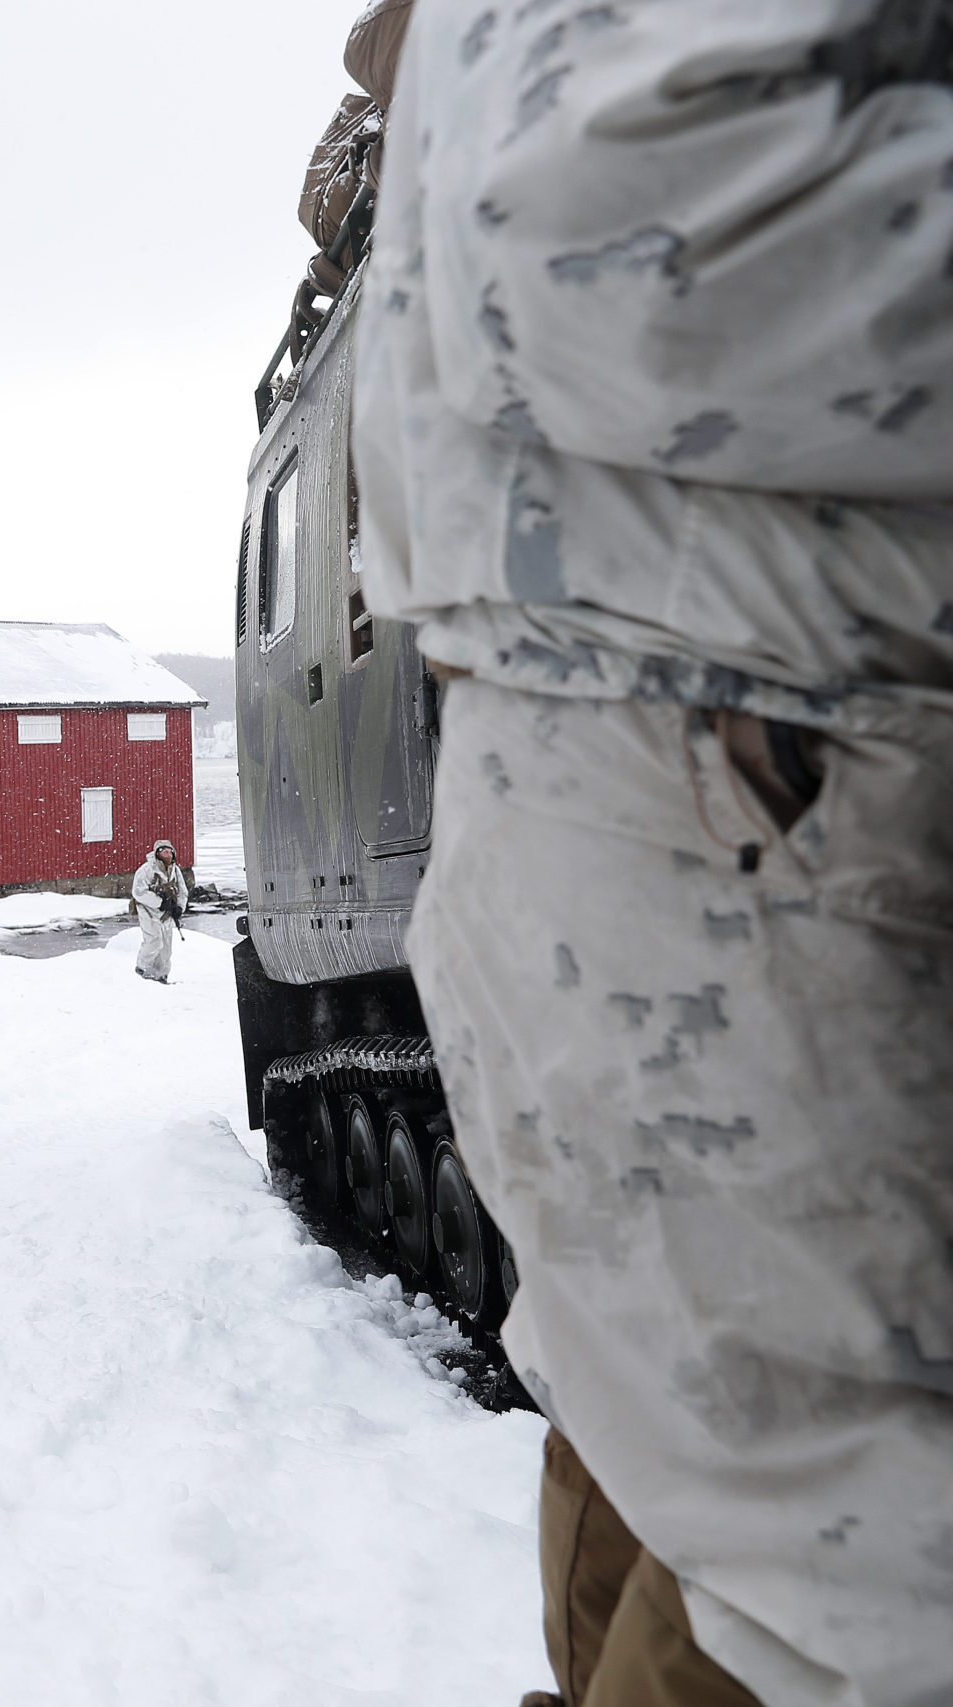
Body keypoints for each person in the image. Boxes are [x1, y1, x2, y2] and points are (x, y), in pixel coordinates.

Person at [357, 5, 953, 1702]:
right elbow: (620, 227)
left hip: (730, 787)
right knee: (875, 1595)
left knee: (716, 1497)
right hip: (766, 806)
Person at [129, 839, 186, 983]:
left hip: (167, 914)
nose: (168, 854)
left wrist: (179, 907)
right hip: (148, 911)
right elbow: (138, 892)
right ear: (157, 854)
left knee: (166, 947)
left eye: (170, 851)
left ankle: (161, 975)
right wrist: (160, 903)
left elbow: (182, 891)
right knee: (154, 941)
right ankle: (142, 968)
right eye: (164, 851)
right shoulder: (146, 870)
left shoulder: (175, 870)